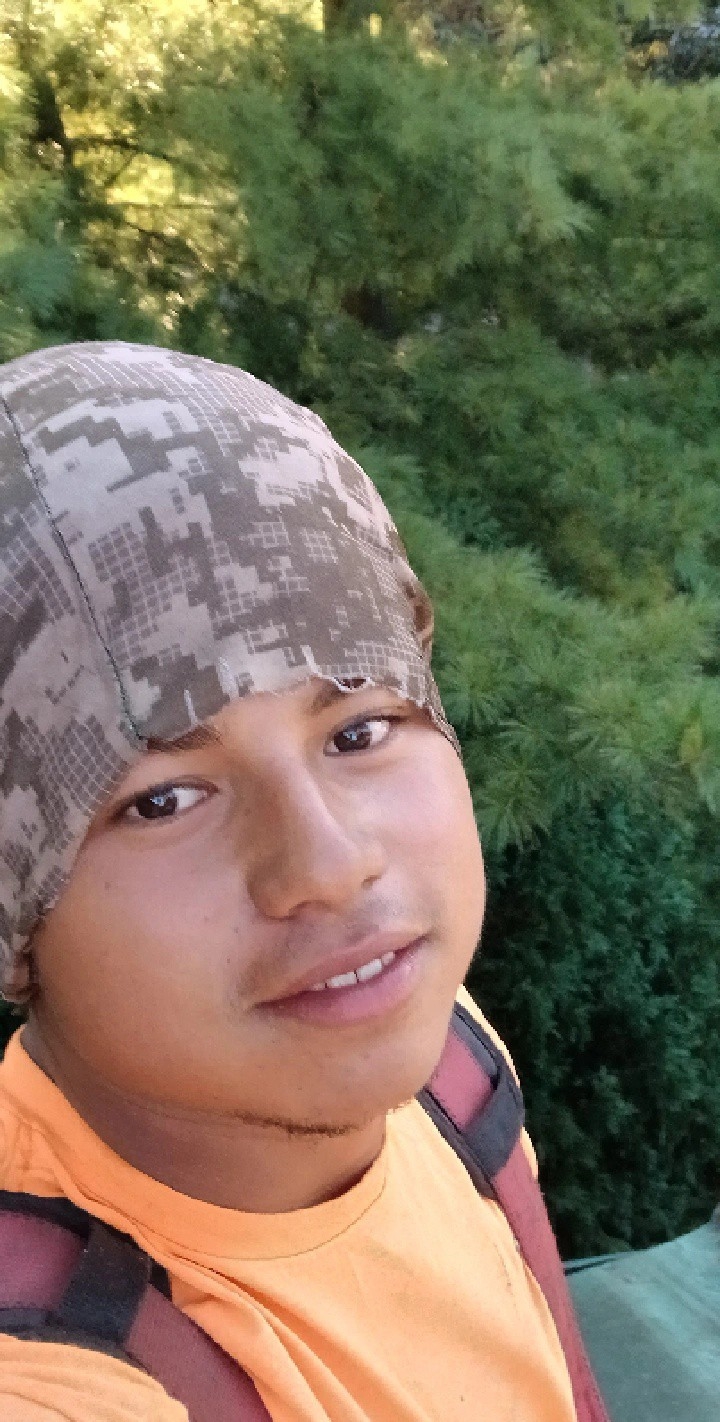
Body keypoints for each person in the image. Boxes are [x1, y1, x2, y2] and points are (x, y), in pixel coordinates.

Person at [0, 341, 582, 1421]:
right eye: (163, 800)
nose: (329, 866)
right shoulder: (50, 1371)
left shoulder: (450, 1062)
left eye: (359, 729)